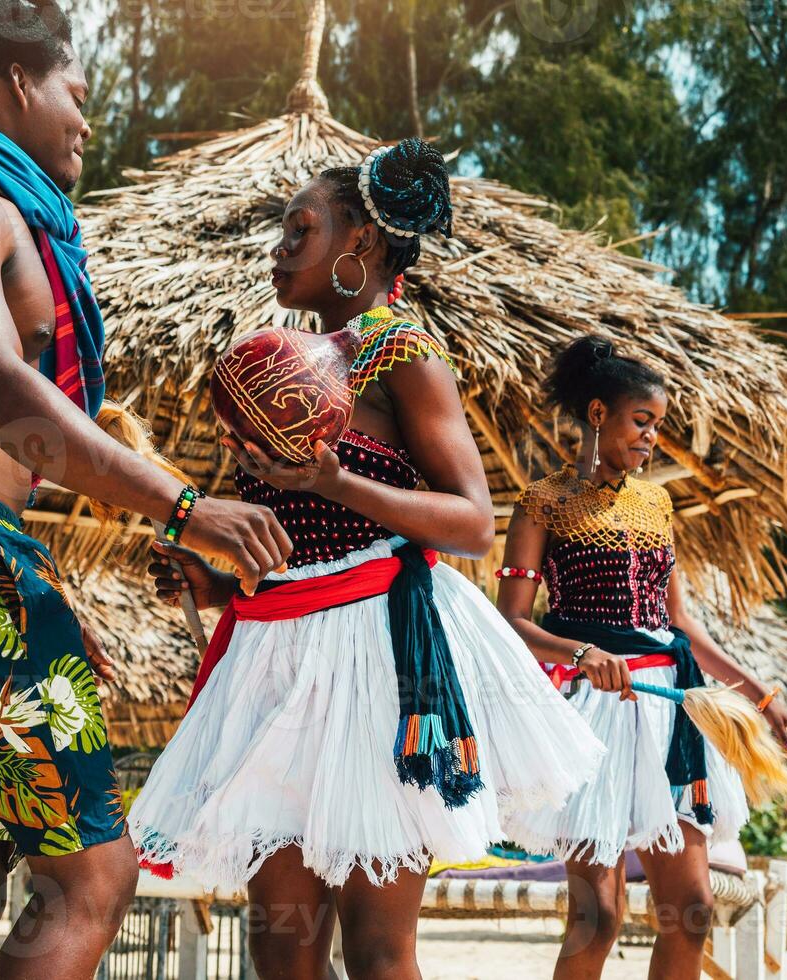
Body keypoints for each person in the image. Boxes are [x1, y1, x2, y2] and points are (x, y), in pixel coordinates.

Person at [0, 2, 291, 977]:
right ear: (17, 81)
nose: (86, 120)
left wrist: (33, 598)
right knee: (91, 879)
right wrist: (186, 507)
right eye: (77, 93)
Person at [131, 139, 603, 980]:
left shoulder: (404, 354)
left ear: (363, 244)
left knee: (379, 953)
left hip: (375, 657)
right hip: (273, 654)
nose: (279, 249)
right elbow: (282, 527)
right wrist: (206, 568)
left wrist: (336, 479)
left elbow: (469, 522)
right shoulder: (272, 367)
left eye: (300, 229)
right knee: (280, 947)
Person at [495, 336, 787, 980]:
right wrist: (582, 652)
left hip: (673, 711)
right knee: (601, 915)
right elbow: (510, 621)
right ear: (598, 414)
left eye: (658, 427)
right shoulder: (544, 502)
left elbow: (680, 625)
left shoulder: (657, 504)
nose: (651, 439)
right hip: (591, 712)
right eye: (642, 422)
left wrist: (765, 700)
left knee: (693, 908)